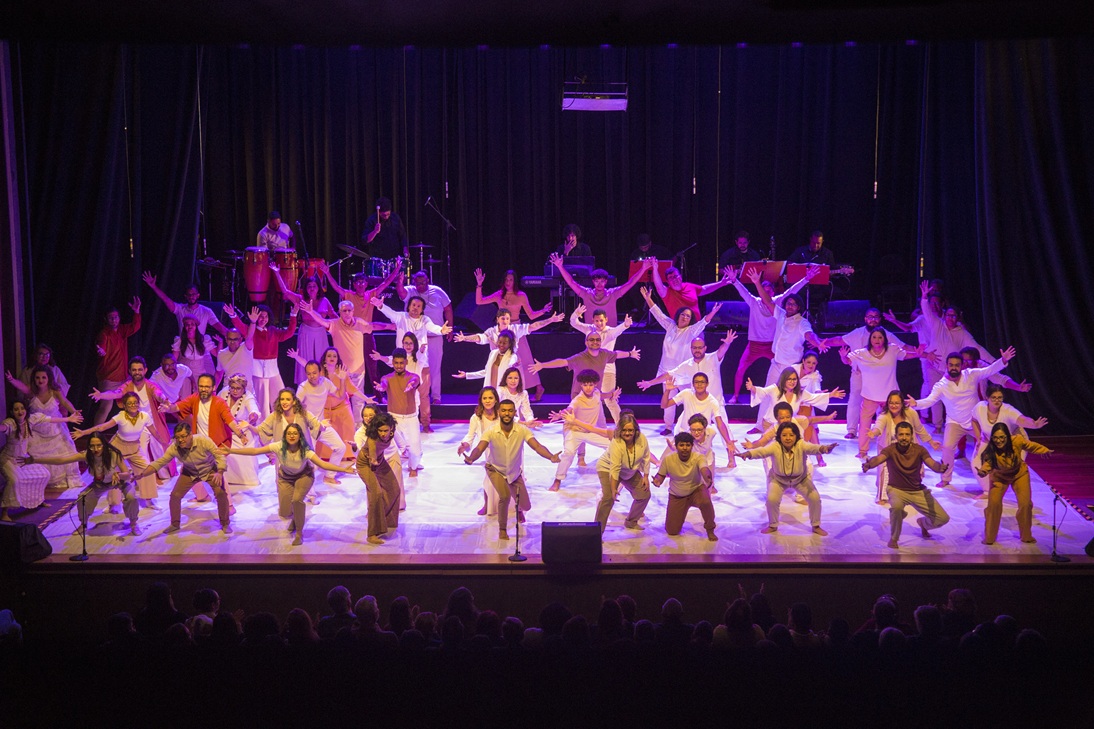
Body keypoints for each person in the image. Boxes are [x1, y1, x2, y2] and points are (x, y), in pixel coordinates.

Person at [224, 423, 354, 546]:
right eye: (289, 433)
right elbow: (254, 451)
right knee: (285, 512)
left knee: (297, 500)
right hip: (285, 478)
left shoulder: (305, 450)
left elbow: (323, 464)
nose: (292, 436)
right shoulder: (279, 446)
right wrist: (231, 450)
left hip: (304, 476)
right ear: (285, 436)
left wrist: (343, 469)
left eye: (295, 433)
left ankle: (299, 533)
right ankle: (295, 519)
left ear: (299, 436)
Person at [905, 346, 1017, 487]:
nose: (954, 368)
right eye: (951, 365)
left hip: (975, 421)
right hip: (954, 422)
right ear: (947, 365)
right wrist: (916, 403)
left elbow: (989, 370)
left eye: (957, 365)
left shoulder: (971, 374)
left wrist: (1003, 360)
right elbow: (930, 400)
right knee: (947, 448)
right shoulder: (941, 385)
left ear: (962, 366)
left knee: (990, 447)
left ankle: (996, 478)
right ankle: (945, 478)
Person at [463, 400, 560, 540]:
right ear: (499, 412)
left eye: (510, 410)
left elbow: (537, 446)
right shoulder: (491, 431)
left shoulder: (522, 430)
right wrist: (472, 458)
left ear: (514, 413)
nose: (506, 413)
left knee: (526, 505)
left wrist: (551, 456)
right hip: (495, 469)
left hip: (514, 472)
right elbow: (480, 447)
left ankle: (520, 509)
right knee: (504, 496)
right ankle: (502, 529)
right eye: (503, 410)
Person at [20, 433, 141, 536]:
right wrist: (34, 460)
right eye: (92, 446)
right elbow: (61, 460)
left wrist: (119, 475)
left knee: (131, 497)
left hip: (119, 481)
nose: (96, 449)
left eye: (99, 445)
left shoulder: (113, 453)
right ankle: (83, 524)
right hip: (100, 484)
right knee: (82, 498)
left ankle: (133, 523)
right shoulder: (87, 454)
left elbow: (127, 474)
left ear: (103, 445)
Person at [823, 307, 913, 440]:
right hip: (859, 374)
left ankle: (880, 429)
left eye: (876, 317)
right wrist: (821, 342)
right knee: (854, 400)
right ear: (865, 319)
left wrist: (923, 353)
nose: (873, 320)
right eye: (870, 317)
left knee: (880, 402)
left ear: (880, 319)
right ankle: (852, 430)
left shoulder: (887, 335)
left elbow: (904, 348)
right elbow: (838, 341)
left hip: (879, 377)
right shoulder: (857, 333)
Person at [727, 266, 814, 404]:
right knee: (740, 368)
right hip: (754, 344)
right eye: (763, 291)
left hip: (771, 345)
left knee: (783, 372)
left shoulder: (778, 303)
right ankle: (735, 396)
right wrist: (734, 280)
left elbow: (792, 291)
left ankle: (789, 397)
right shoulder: (754, 302)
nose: (765, 294)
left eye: (768, 291)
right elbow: (743, 291)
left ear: (772, 292)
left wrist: (806, 279)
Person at [319, 258, 403, 399]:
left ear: (366, 284)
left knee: (372, 364)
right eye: (357, 282)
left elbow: (385, 283)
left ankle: (378, 393)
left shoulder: (371, 294)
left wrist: (396, 270)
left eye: (363, 282)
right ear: (354, 284)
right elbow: (336, 288)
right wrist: (327, 273)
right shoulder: (349, 295)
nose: (360, 285)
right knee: (347, 364)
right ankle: (344, 393)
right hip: (349, 334)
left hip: (366, 333)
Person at [88, 356, 175, 491]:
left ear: (145, 370)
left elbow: (158, 394)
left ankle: (157, 475)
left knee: (160, 448)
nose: (137, 372)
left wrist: (164, 400)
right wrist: (102, 395)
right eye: (134, 370)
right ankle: (144, 480)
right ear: (130, 371)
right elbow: (116, 393)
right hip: (137, 426)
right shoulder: (127, 386)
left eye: (140, 369)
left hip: (151, 423)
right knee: (142, 452)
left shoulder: (151, 385)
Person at [637, 285, 714, 434]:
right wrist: (648, 298)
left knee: (690, 400)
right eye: (683, 315)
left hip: (684, 373)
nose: (685, 317)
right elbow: (658, 314)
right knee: (669, 400)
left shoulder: (691, 331)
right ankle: (667, 427)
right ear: (678, 315)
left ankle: (697, 424)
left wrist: (713, 313)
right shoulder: (670, 327)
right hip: (666, 371)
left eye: (688, 316)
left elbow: (704, 322)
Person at [861, 421, 952, 548]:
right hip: (896, 490)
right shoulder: (890, 450)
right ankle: (894, 538)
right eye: (901, 434)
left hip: (917, 491)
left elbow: (932, 463)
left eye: (907, 434)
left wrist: (940, 468)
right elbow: (879, 458)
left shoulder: (919, 450)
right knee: (897, 508)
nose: (904, 437)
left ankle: (923, 524)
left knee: (943, 519)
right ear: (896, 436)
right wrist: (869, 464)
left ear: (911, 435)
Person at [738, 422, 838, 536]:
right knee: (771, 500)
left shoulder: (801, 444)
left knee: (814, 498)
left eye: (791, 435)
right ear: (779, 436)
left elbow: (813, 448)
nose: (788, 438)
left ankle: (816, 525)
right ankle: (773, 525)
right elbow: (762, 452)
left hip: (801, 479)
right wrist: (748, 454)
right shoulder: (775, 446)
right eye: (784, 435)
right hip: (778, 480)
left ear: (796, 435)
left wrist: (824, 448)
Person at [134, 422, 232, 534]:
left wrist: (219, 472)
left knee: (221, 493)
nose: (180, 440)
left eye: (183, 436)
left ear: (190, 434)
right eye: (177, 437)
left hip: (210, 470)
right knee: (175, 495)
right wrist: (142, 474)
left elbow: (219, 455)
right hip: (189, 472)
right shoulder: (174, 447)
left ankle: (225, 523)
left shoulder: (203, 440)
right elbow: (160, 462)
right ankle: (175, 524)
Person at [840, 329, 924, 459]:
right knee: (864, 425)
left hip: (890, 397)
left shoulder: (892, 350)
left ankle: (896, 448)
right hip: (869, 396)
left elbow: (906, 355)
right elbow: (847, 361)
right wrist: (843, 356)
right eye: (874, 337)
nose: (877, 340)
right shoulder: (862, 353)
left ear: (884, 339)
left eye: (880, 337)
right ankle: (863, 451)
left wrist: (919, 354)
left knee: (896, 424)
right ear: (870, 339)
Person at [454, 306, 562, 402]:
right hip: (497, 361)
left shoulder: (515, 331)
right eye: (503, 318)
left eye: (507, 318)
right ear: (497, 319)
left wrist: (551, 320)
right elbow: (479, 338)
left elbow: (533, 326)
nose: (505, 321)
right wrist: (465, 338)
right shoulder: (492, 334)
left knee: (514, 398)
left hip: (512, 365)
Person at [71, 392, 160, 503]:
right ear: (125, 405)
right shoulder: (121, 416)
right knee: (114, 474)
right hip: (117, 448)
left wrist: (165, 443)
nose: (133, 405)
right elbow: (102, 427)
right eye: (130, 403)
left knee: (147, 469)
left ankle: (148, 499)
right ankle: (113, 504)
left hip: (135, 448)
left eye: (135, 403)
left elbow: (155, 433)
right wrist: (84, 432)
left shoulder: (144, 416)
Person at [749, 265, 829, 385]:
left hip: (791, 367)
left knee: (789, 399)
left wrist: (817, 343)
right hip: (776, 364)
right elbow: (767, 301)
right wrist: (756, 283)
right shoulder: (781, 314)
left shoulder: (802, 322)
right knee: (767, 396)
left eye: (794, 304)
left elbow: (809, 335)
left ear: (799, 307)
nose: (790, 306)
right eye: (788, 303)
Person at [298, 298, 372, 427]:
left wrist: (393, 325)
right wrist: (311, 312)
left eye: (349, 310)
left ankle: (357, 428)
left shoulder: (359, 323)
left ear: (353, 311)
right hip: (340, 371)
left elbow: (374, 326)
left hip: (358, 370)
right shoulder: (334, 324)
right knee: (338, 398)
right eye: (344, 311)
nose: (347, 313)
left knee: (358, 402)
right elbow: (322, 321)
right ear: (340, 312)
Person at [5, 366, 83, 488]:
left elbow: (64, 402)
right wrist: (11, 380)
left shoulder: (55, 390)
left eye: (43, 377)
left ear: (48, 378)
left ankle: (63, 480)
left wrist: (74, 411)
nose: (40, 380)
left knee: (65, 452)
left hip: (55, 429)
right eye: (37, 378)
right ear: (34, 379)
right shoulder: (31, 391)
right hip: (37, 431)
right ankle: (41, 482)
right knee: (37, 455)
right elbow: (22, 387)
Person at [0, 401, 79, 520]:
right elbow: (3, 427)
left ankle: (38, 500)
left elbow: (50, 419)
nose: (20, 411)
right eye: (16, 409)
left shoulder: (30, 420)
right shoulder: (10, 423)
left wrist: (68, 419)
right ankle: (5, 513)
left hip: (23, 459)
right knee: (14, 481)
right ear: (12, 412)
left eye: (22, 408)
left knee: (44, 474)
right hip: (7, 460)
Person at [975, 423, 1052, 545]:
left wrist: (1044, 450)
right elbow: (987, 466)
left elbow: (1031, 446)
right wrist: (982, 472)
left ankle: (1026, 535)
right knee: (993, 505)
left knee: (1025, 504)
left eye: (1002, 437)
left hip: (1019, 474)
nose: (999, 441)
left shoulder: (1017, 440)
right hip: (999, 478)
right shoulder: (990, 452)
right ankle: (989, 537)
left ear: (1008, 436)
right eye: (995, 438)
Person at [865, 391, 940, 504]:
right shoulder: (884, 415)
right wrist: (873, 433)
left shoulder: (910, 413)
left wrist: (931, 441)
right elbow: (878, 427)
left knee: (911, 470)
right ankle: (882, 496)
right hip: (889, 448)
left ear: (902, 403)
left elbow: (919, 428)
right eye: (891, 403)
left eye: (897, 403)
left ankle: (909, 494)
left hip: (908, 447)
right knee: (885, 470)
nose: (894, 405)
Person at [547, 369, 616, 491]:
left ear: (595, 384)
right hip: (574, 431)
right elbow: (569, 409)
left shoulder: (596, 393)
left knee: (614, 445)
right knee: (568, 452)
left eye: (590, 385)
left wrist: (612, 394)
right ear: (581, 385)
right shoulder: (578, 400)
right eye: (585, 385)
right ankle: (558, 479)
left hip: (589, 431)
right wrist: (560, 414)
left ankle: (616, 472)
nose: (588, 388)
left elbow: (602, 396)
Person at [395, 269, 454, 409]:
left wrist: (450, 327)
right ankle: (413, 395)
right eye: (418, 283)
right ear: (414, 282)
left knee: (434, 367)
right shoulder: (410, 290)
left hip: (434, 336)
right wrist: (399, 282)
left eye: (423, 282)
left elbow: (448, 309)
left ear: (428, 281)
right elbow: (401, 292)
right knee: (413, 366)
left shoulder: (438, 291)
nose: (420, 285)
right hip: (415, 339)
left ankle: (436, 397)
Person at [227, 305, 297, 419]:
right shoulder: (252, 330)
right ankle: (263, 431)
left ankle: (284, 424)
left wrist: (293, 315)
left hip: (273, 370)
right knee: (262, 404)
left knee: (281, 397)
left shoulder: (272, 331)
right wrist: (233, 315)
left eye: (266, 316)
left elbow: (289, 333)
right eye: (260, 316)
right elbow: (241, 326)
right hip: (258, 371)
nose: (263, 319)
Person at [528, 330, 640, 401]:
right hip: (579, 398)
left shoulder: (604, 354)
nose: (595, 342)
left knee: (598, 431)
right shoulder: (579, 357)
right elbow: (562, 362)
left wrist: (630, 354)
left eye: (597, 340)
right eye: (592, 340)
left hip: (595, 398)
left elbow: (617, 354)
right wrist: (543, 365)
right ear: (586, 342)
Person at [568, 304, 633, 422]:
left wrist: (625, 325)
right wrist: (576, 313)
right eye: (597, 321)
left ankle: (621, 426)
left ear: (606, 320)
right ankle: (584, 424)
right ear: (593, 321)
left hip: (607, 370)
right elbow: (573, 322)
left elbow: (619, 330)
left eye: (601, 320)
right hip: (591, 370)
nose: (599, 323)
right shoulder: (589, 329)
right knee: (586, 398)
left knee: (610, 400)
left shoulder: (610, 332)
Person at [660, 372, 738, 468]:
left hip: (701, 437)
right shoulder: (686, 393)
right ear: (693, 384)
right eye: (696, 382)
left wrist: (728, 441)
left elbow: (720, 423)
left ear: (707, 384)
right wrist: (667, 391)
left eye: (702, 382)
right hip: (684, 435)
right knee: (665, 465)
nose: (699, 384)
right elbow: (664, 405)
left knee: (700, 466)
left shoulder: (713, 401)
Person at [548, 253, 649, 326]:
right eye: (597, 281)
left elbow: (630, 283)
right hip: (592, 334)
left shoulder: (613, 294)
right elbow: (571, 282)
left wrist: (643, 269)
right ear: (593, 282)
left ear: (606, 282)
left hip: (609, 334)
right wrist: (560, 267)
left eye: (602, 281)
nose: (599, 284)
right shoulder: (586, 293)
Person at [291, 361, 349, 486]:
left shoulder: (325, 382)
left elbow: (340, 395)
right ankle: (302, 487)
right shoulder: (303, 387)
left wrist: (343, 380)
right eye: (309, 374)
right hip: (307, 428)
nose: (312, 376)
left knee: (340, 447)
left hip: (321, 425)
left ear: (320, 372)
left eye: (314, 373)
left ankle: (329, 476)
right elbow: (295, 408)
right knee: (310, 462)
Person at [592, 413, 651, 534]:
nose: (627, 433)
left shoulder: (642, 439)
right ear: (619, 430)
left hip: (629, 470)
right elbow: (615, 468)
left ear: (635, 430)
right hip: (607, 468)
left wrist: (645, 476)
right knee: (608, 498)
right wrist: (613, 489)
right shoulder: (616, 443)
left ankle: (631, 521)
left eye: (630, 430)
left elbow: (646, 457)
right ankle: (596, 532)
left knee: (644, 495)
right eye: (624, 430)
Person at [652, 432, 717, 541]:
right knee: (672, 531)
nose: (685, 448)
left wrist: (707, 478)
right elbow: (661, 475)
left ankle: (710, 529)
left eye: (688, 445)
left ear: (692, 446)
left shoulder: (698, 457)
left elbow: (704, 469)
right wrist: (657, 481)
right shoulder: (668, 459)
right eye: (681, 445)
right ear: (676, 446)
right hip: (677, 495)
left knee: (706, 502)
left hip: (696, 490)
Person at [371, 349, 424, 478]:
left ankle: (413, 466)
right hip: (394, 419)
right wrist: (381, 388)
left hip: (411, 417)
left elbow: (415, 382)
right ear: (393, 363)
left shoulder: (413, 376)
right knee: (394, 448)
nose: (399, 365)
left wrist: (411, 386)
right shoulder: (387, 378)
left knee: (415, 450)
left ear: (406, 362)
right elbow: (384, 385)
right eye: (396, 363)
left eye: (401, 363)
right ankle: (392, 468)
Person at [356, 412, 403, 545]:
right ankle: (372, 534)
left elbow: (399, 441)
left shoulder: (392, 433)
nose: (383, 433)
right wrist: (373, 461)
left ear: (391, 429)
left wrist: (405, 449)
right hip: (365, 463)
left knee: (394, 488)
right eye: (380, 430)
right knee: (376, 494)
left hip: (380, 460)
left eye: (385, 430)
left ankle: (386, 522)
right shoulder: (373, 439)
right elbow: (372, 454)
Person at [93, 298, 141, 424]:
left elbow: (135, 326)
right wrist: (101, 351)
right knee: (105, 408)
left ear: (119, 318)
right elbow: (101, 345)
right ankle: (95, 435)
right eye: (111, 318)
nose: (114, 320)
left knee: (133, 403)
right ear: (106, 319)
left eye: (116, 317)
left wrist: (136, 312)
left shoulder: (122, 330)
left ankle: (133, 431)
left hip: (123, 377)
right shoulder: (104, 334)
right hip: (108, 377)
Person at [457, 387, 502, 517]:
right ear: (481, 400)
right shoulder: (476, 417)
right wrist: (465, 445)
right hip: (488, 452)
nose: (487, 401)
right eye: (485, 398)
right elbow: (470, 435)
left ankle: (519, 509)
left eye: (490, 398)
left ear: (495, 400)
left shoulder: (501, 413)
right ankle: (487, 505)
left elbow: (516, 422)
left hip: (506, 450)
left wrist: (528, 423)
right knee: (489, 480)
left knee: (513, 480)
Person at [141, 271, 229, 337]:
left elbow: (221, 329)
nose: (191, 297)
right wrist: (154, 286)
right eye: (189, 295)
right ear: (186, 296)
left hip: (200, 349)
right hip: (184, 347)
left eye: (193, 294)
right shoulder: (180, 309)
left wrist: (236, 336)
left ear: (198, 295)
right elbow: (165, 299)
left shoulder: (206, 311)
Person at [355, 404, 404, 511]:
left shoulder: (386, 425)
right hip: (375, 462)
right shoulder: (360, 433)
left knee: (394, 485)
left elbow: (397, 437)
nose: (368, 418)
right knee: (375, 489)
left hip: (391, 456)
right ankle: (375, 511)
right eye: (365, 416)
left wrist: (404, 448)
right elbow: (362, 450)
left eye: (371, 415)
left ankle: (394, 508)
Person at [649, 261, 734, 323]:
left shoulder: (689, 286)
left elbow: (704, 289)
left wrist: (721, 283)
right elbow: (659, 286)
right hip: (679, 330)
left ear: (680, 277)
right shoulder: (667, 292)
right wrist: (655, 269)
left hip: (696, 327)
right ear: (668, 282)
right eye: (671, 278)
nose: (674, 279)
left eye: (675, 276)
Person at [217, 373, 261, 489]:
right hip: (225, 431)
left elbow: (254, 411)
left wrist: (252, 417)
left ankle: (246, 480)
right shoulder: (224, 392)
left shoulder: (248, 397)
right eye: (232, 388)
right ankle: (225, 478)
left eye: (238, 388)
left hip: (242, 433)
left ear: (244, 388)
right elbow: (215, 405)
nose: (235, 391)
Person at [787, 230, 836, 321]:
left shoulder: (827, 254)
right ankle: (798, 315)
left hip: (819, 286)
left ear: (822, 242)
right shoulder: (801, 251)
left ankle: (820, 318)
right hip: (802, 285)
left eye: (818, 243)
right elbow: (789, 263)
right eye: (814, 243)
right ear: (810, 240)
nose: (816, 246)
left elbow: (831, 269)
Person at [474, 268, 553, 323]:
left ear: (514, 281)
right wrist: (479, 284)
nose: (508, 282)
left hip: (516, 328)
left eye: (511, 280)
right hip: (502, 328)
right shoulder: (499, 294)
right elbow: (479, 301)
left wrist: (543, 310)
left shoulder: (521, 295)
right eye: (506, 280)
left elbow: (531, 315)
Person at [452, 329, 518, 389]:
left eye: (504, 343)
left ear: (510, 344)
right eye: (500, 342)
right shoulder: (493, 353)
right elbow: (486, 372)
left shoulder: (512, 356)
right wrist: (467, 375)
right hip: (489, 392)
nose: (501, 345)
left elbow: (511, 365)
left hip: (503, 392)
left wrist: (515, 365)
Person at [172, 315, 220, 392]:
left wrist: (220, 342)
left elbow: (217, 354)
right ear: (184, 326)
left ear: (196, 326)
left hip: (200, 373)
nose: (190, 326)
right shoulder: (180, 341)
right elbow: (173, 359)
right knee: (185, 396)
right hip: (186, 374)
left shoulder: (203, 340)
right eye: (187, 324)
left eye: (192, 324)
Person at [214, 310, 256, 391]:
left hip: (246, 391)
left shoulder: (246, 348)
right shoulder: (221, 354)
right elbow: (219, 373)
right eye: (230, 339)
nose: (232, 342)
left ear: (240, 340)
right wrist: (214, 388)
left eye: (235, 339)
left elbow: (250, 336)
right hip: (228, 390)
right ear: (226, 339)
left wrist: (253, 322)